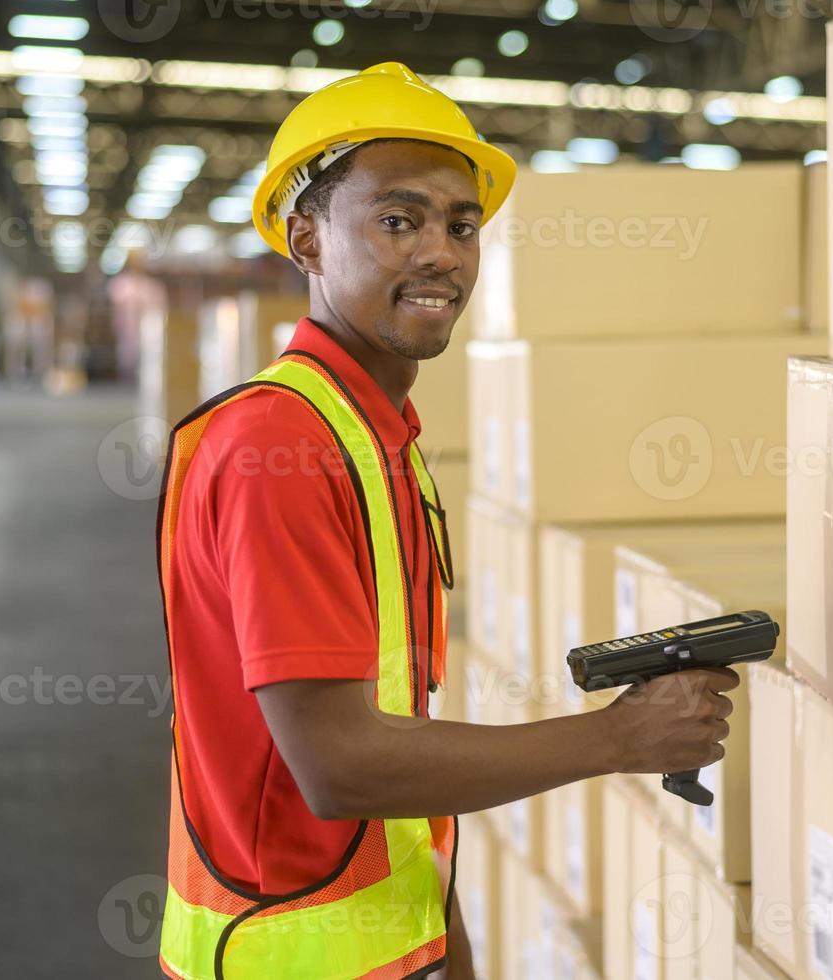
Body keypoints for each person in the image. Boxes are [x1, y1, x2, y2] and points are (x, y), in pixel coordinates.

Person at [153, 62, 738, 980]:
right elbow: (339, 765)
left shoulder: (372, 437)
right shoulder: (280, 445)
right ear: (306, 240)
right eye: (397, 220)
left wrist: (445, 948)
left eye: (461, 225)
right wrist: (618, 739)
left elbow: (393, 733)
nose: (441, 253)